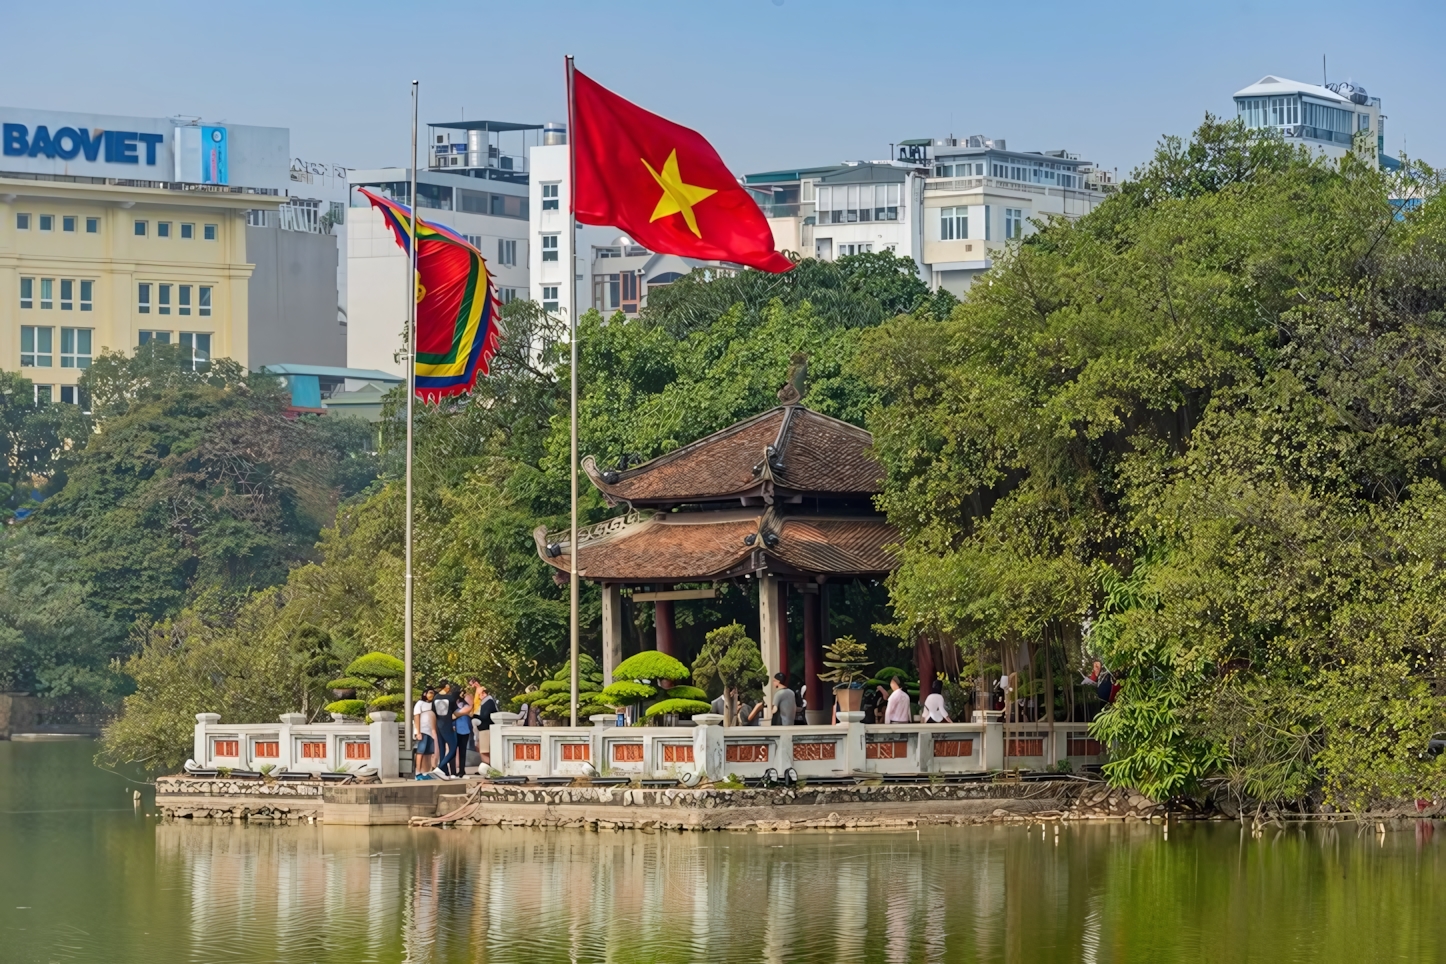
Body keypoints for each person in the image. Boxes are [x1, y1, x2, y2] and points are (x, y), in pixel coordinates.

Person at [432, 680, 458, 780]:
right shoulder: (450, 698)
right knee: (453, 747)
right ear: (446, 686)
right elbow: (455, 711)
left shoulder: (436, 698)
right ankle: (440, 767)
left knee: (442, 748)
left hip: (439, 724)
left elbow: (434, 712)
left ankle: (444, 772)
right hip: (447, 724)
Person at [470, 678, 497, 769]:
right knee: (482, 749)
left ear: (483, 693)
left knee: (484, 750)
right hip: (483, 729)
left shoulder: (488, 702)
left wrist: (475, 718)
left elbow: (485, 716)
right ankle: (485, 767)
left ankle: (488, 767)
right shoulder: (485, 702)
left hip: (486, 729)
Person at [413, 686, 437, 779]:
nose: (432, 695)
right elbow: (416, 717)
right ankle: (418, 772)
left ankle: (426, 772)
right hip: (423, 731)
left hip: (431, 731)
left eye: (433, 693)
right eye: (430, 692)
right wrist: (418, 732)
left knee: (429, 752)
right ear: (425, 694)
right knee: (421, 751)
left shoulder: (432, 704)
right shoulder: (420, 703)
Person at [452, 691, 472, 777]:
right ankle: (453, 771)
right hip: (454, 730)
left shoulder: (466, 705)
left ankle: (462, 770)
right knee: (453, 751)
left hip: (464, 730)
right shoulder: (452, 704)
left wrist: (457, 714)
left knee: (462, 751)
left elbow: (454, 715)